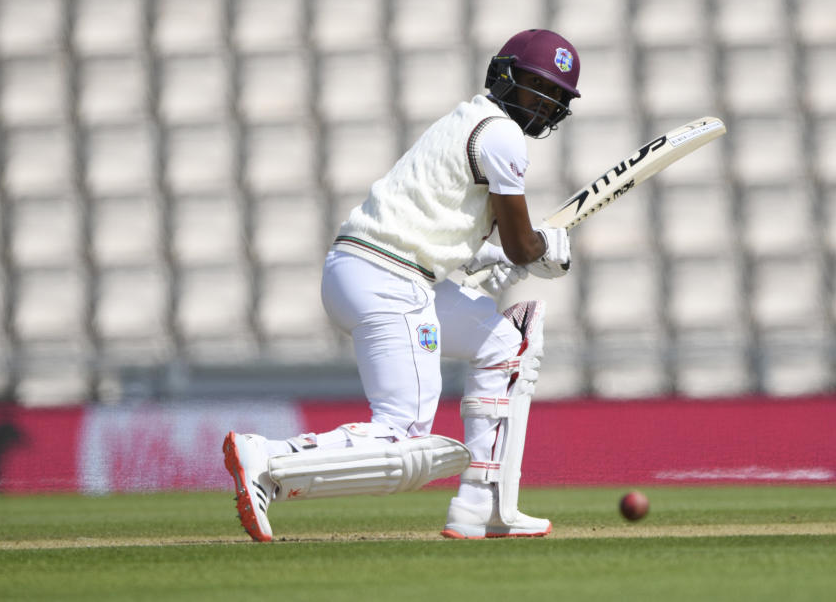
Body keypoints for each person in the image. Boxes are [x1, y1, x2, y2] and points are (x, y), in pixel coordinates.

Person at [223, 29, 580, 541]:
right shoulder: (501, 134)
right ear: (505, 76)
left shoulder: (467, 121)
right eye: (534, 89)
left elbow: (434, 209)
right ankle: (270, 458)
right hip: (389, 277)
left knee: (506, 345)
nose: (541, 106)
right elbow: (525, 245)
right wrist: (543, 249)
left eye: (553, 99)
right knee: (403, 434)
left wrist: (485, 253)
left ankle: (484, 504)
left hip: (374, 268)